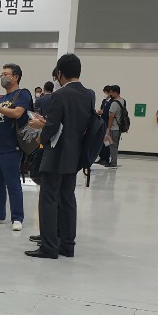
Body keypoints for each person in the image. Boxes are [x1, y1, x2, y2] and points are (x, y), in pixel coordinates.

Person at [25, 53, 93, 260]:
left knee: (48, 199)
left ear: (60, 73)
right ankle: (67, 245)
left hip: (55, 154)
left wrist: (40, 130)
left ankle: (49, 246)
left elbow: (53, 127)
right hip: (75, 154)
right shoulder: (88, 95)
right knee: (68, 198)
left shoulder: (60, 95)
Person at [0, 63, 31, 231]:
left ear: (15, 77)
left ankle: (17, 217)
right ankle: (0, 214)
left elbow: (18, 113)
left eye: (6, 74)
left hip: (12, 147)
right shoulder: (1, 99)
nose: (3, 76)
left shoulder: (22, 94)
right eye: (2, 74)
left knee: (12, 183)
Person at [107, 85, 126, 168]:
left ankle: (113, 163)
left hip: (114, 128)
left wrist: (108, 128)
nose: (110, 94)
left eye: (111, 92)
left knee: (112, 146)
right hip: (119, 127)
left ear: (115, 92)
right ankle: (112, 161)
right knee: (115, 145)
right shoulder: (123, 101)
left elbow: (111, 116)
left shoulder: (114, 103)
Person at [95, 85, 112, 165]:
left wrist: (103, 112)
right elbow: (102, 109)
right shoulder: (104, 101)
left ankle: (106, 159)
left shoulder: (112, 102)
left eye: (105, 92)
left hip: (108, 123)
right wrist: (99, 112)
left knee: (107, 143)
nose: (104, 94)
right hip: (102, 122)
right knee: (101, 142)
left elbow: (110, 113)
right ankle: (101, 157)